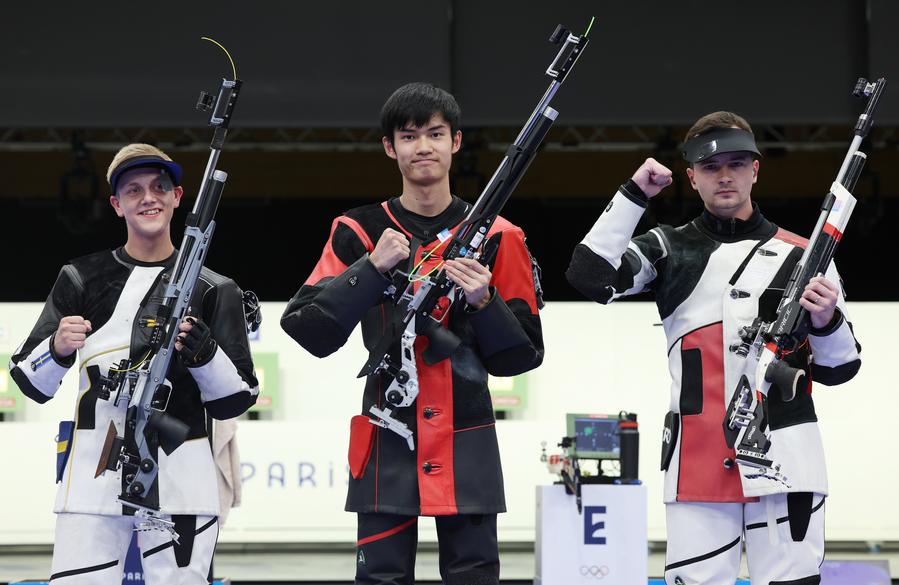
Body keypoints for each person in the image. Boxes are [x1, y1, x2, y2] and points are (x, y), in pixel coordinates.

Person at [566, 112, 861, 585]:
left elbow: (840, 369)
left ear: (756, 170)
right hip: (696, 460)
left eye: (737, 163)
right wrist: (634, 195)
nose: (725, 176)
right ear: (692, 177)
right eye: (710, 166)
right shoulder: (666, 247)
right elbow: (589, 278)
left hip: (787, 457)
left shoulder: (805, 256)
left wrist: (827, 319)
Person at [281, 82, 544, 585]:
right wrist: (372, 267)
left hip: (467, 439)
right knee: (380, 577)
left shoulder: (500, 236)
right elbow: (307, 329)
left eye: (435, 134)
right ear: (389, 147)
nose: (423, 146)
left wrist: (483, 302)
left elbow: (524, 355)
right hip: (385, 433)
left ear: (456, 142)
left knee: (474, 577)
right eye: (409, 135)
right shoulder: (357, 230)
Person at [9, 144, 259, 584]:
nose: (149, 197)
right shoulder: (81, 276)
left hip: (182, 479)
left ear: (178, 196)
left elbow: (237, 398)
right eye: (134, 189)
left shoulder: (215, 288)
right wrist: (58, 347)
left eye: (161, 187)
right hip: (92, 480)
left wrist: (205, 355)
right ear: (116, 204)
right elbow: (29, 381)